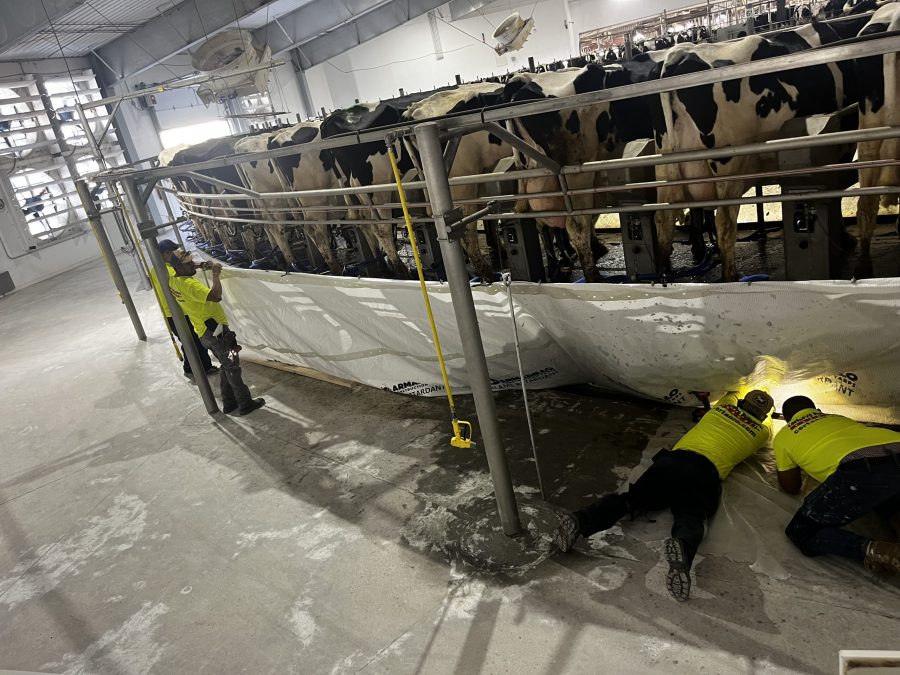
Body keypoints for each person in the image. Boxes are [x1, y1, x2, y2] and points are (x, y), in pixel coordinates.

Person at [556, 389, 775, 601]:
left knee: (630, 501)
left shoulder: (721, 409)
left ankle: (580, 520)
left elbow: (731, 392)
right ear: (763, 415)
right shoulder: (761, 433)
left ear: (742, 403)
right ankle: (682, 548)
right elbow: (769, 426)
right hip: (706, 472)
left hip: (674, 461)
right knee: (691, 515)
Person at [774, 396, 900, 575]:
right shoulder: (838, 418)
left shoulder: (784, 435)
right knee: (886, 498)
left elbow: (791, 486)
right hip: (895, 446)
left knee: (801, 531)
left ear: (787, 419)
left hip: (862, 468)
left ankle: (884, 553)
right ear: (816, 410)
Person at [168, 249, 265, 416]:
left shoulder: (173, 282)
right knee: (232, 367)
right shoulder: (191, 285)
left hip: (204, 331)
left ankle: (229, 403)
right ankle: (245, 403)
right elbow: (216, 295)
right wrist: (215, 274)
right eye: (189, 264)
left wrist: (201, 265)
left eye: (192, 262)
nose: (193, 265)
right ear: (179, 267)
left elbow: (188, 268)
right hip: (217, 334)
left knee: (226, 365)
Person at [148, 239, 217, 379]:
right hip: (174, 312)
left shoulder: (159, 267)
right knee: (191, 340)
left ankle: (198, 367)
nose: (176, 254)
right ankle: (196, 368)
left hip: (178, 310)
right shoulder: (164, 270)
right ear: (166, 253)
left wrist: (201, 265)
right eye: (173, 252)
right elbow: (181, 270)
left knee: (191, 339)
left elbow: (181, 266)